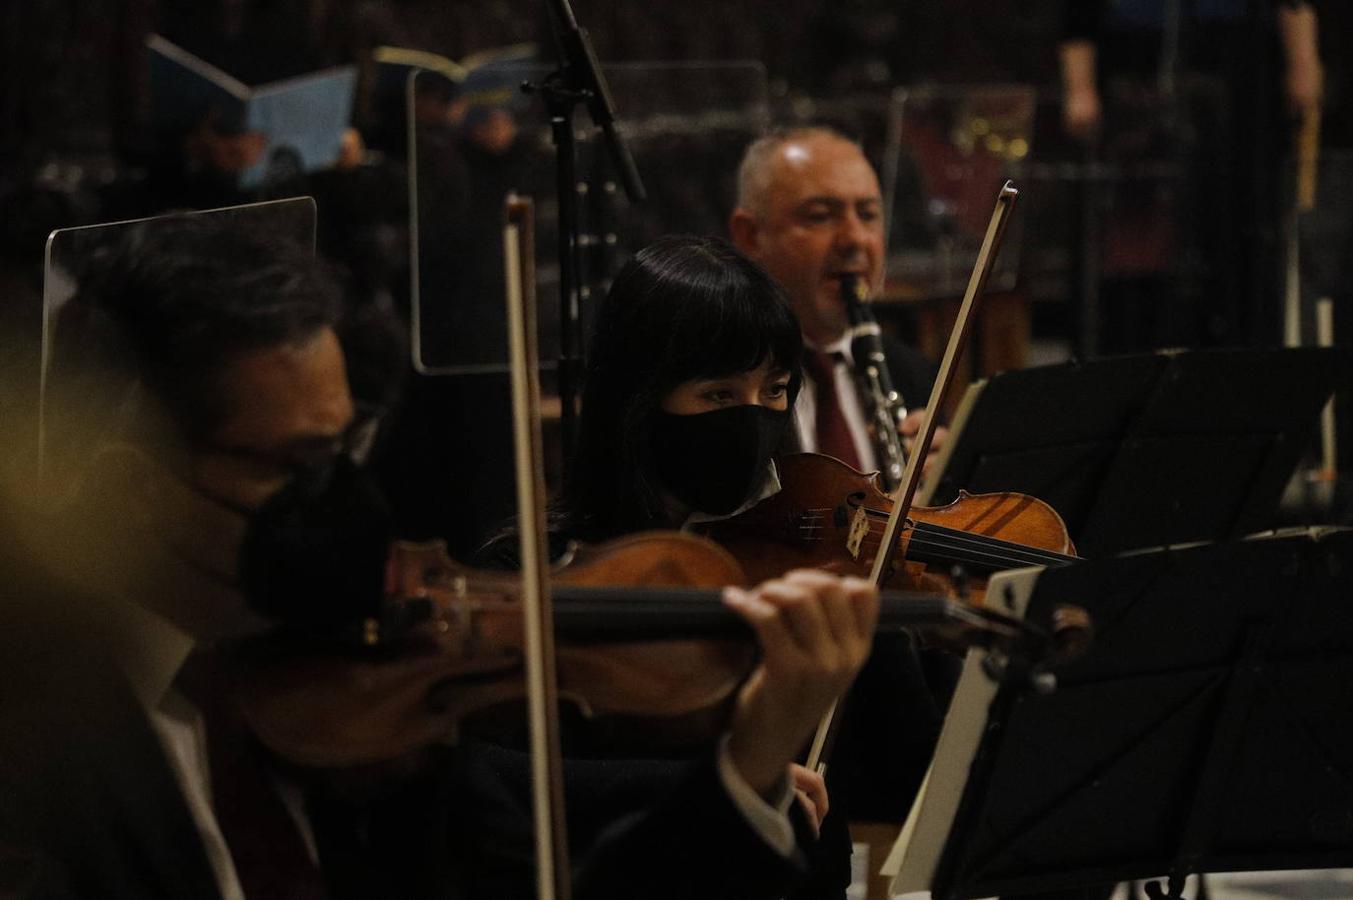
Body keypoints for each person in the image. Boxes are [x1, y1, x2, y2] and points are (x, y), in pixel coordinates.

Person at [7, 215, 878, 900]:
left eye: (347, 450)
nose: (347, 503)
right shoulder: (41, 747)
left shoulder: (359, 705)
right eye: (296, 467)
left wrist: (752, 760)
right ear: (135, 487)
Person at [728, 125, 946, 478]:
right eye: (820, 216)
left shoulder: (917, 377)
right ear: (750, 236)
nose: (855, 239)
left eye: (868, 214)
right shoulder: (719, 381)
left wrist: (941, 494)